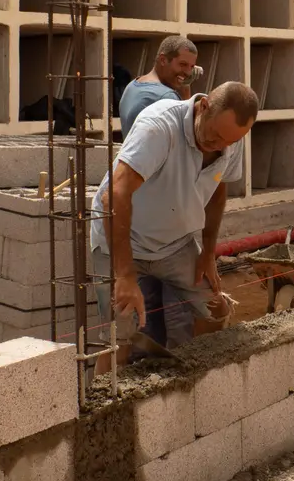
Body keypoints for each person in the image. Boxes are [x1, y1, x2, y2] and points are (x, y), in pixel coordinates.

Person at [90, 81, 259, 356]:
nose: (219, 146)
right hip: (121, 241)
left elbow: (217, 190)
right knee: (116, 338)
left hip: (174, 244)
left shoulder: (230, 139)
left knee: (216, 310)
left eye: (230, 142)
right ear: (204, 106)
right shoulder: (159, 127)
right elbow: (115, 196)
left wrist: (207, 253)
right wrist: (125, 273)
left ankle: (195, 374)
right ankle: (105, 395)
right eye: (215, 136)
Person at [119, 36, 199, 129]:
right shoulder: (167, 97)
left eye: (191, 66)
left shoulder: (132, 85)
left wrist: (185, 84)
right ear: (163, 60)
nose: (188, 72)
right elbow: (186, 133)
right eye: (183, 64)